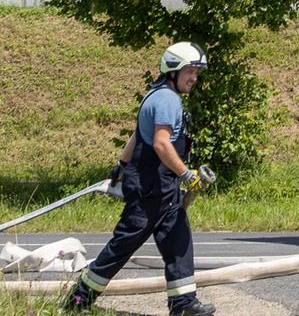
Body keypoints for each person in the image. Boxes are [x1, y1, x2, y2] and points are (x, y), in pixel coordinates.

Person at [64, 42, 215, 314]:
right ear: (173, 70)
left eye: (196, 72)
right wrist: (186, 174)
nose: (194, 77)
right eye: (190, 71)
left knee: (178, 240)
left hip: (161, 186)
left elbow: (137, 135)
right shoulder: (168, 99)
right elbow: (161, 143)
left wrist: (121, 165)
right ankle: (78, 299)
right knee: (123, 245)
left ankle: (183, 304)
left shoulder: (156, 94)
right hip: (151, 189)